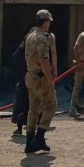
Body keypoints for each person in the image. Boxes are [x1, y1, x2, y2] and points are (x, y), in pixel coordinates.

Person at [24, 9, 57, 153]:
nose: (49, 24)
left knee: (33, 109)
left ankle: (29, 142)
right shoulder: (42, 38)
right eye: (49, 21)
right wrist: (50, 81)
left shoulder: (30, 36)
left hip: (30, 76)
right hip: (40, 77)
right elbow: (44, 61)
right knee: (51, 106)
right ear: (45, 22)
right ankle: (39, 137)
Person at [11, 38, 28, 136]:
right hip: (25, 79)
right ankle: (20, 127)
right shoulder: (24, 48)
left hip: (28, 77)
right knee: (22, 104)